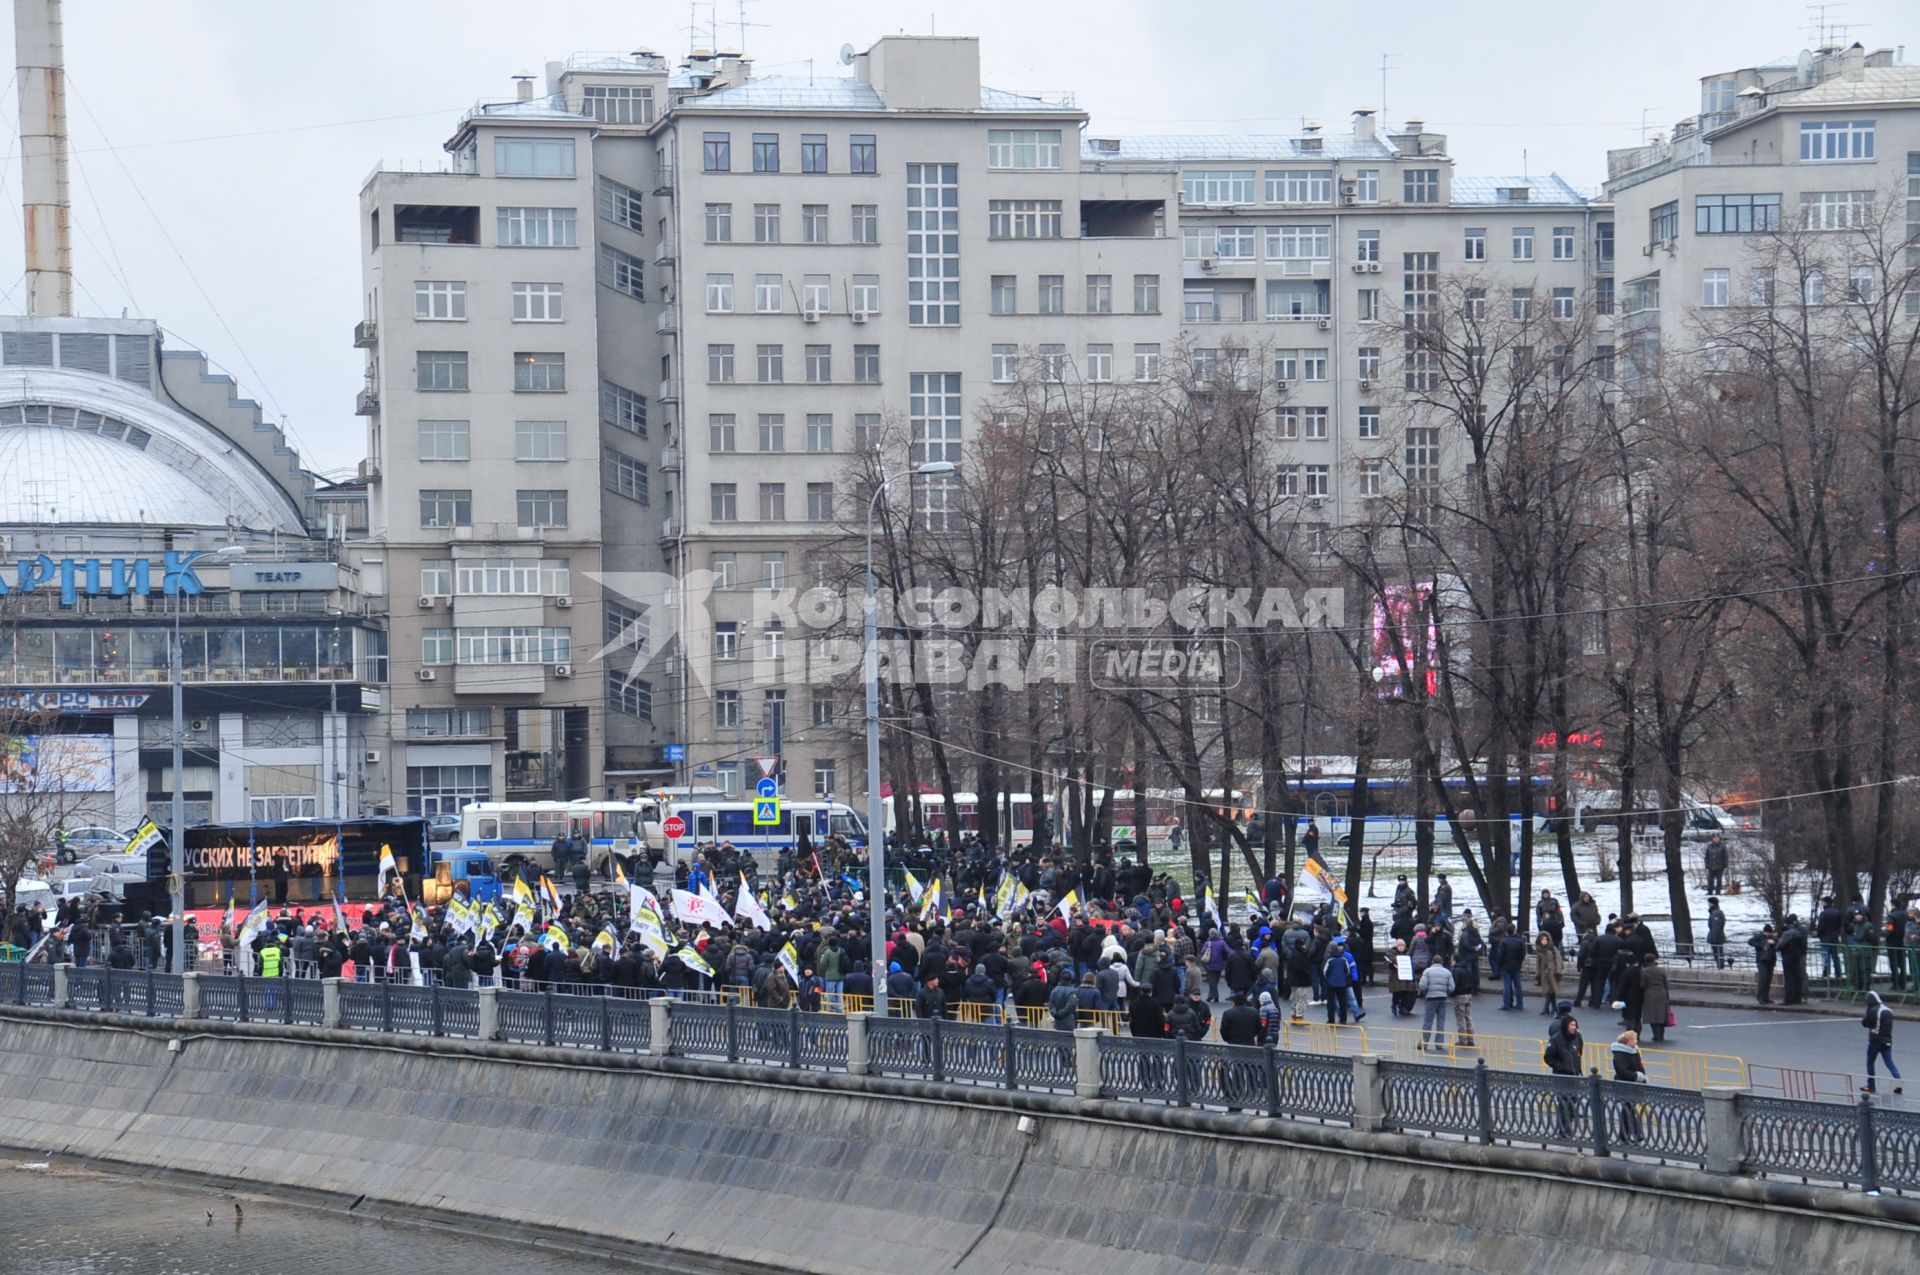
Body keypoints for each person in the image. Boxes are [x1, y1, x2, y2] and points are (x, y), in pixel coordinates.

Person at [1611, 1030, 1648, 1143]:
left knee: (1628, 1111)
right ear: (1628, 1041)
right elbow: (1622, 1071)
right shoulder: (1620, 1053)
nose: (1636, 1041)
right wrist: (1637, 1076)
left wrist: (1641, 1077)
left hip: (1633, 1084)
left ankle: (1626, 1136)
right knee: (1628, 1110)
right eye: (1634, 1039)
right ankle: (1635, 1134)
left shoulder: (1634, 1051)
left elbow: (1639, 1065)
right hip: (1625, 1085)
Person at [1864, 989, 1903, 1095]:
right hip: (1888, 1040)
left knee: (1870, 1062)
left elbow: (1865, 1023)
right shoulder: (1888, 1010)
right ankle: (1899, 1085)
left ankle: (1871, 1086)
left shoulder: (1873, 1010)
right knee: (1889, 1063)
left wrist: (1868, 1011)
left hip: (1875, 1041)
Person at [1417, 955, 1455, 1051]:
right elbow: (1452, 987)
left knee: (1428, 1021)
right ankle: (1439, 1044)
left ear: (1432, 961)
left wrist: (1426, 993)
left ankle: (1424, 1043)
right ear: (1441, 962)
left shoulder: (1427, 971)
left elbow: (1422, 985)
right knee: (1441, 1021)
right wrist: (1445, 993)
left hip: (1431, 998)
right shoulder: (1447, 972)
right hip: (1442, 998)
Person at [1639, 953, 1671, 1044]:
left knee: (1653, 1016)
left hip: (1650, 994)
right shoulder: (1661, 970)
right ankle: (1661, 1034)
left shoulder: (1645, 971)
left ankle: (1656, 1035)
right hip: (1662, 993)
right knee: (1662, 1014)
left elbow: (1643, 985)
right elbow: (1666, 984)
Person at [1493, 927, 1527, 1011]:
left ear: (1506, 932)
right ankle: (1520, 1004)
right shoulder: (1520, 941)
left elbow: (1500, 955)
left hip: (1506, 965)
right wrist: (1519, 962)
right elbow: (1523, 953)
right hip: (1516, 965)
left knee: (1507, 986)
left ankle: (1507, 1004)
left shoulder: (1503, 941)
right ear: (1515, 931)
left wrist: (1500, 964)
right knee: (1518, 985)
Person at [1534, 933, 1562, 1016]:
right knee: (1550, 992)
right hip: (1544, 974)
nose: (1544, 941)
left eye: (1545, 939)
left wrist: (1558, 971)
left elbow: (1558, 960)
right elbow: (1538, 963)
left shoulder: (1552, 949)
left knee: (1550, 991)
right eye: (1542, 939)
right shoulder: (1540, 951)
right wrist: (1538, 973)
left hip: (1552, 973)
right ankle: (1554, 1008)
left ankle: (1546, 1009)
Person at [1749, 924, 1778, 1004]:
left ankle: (1766, 997)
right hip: (1761, 960)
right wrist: (1761, 944)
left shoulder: (1773, 938)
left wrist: (1774, 943)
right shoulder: (1759, 937)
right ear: (1764, 932)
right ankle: (1760, 997)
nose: (1768, 934)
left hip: (1771, 961)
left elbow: (1778, 943)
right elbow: (1750, 942)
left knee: (1768, 980)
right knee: (1763, 979)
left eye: (1769, 933)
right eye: (1767, 933)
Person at [1706, 898, 1727, 969]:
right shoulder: (1715, 912)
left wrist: (1714, 938)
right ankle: (1720, 966)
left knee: (1718, 953)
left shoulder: (1716, 913)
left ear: (1712, 903)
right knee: (1717, 953)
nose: (1708, 904)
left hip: (1717, 938)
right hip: (1716, 937)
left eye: (1709, 903)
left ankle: (1720, 967)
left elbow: (1716, 927)